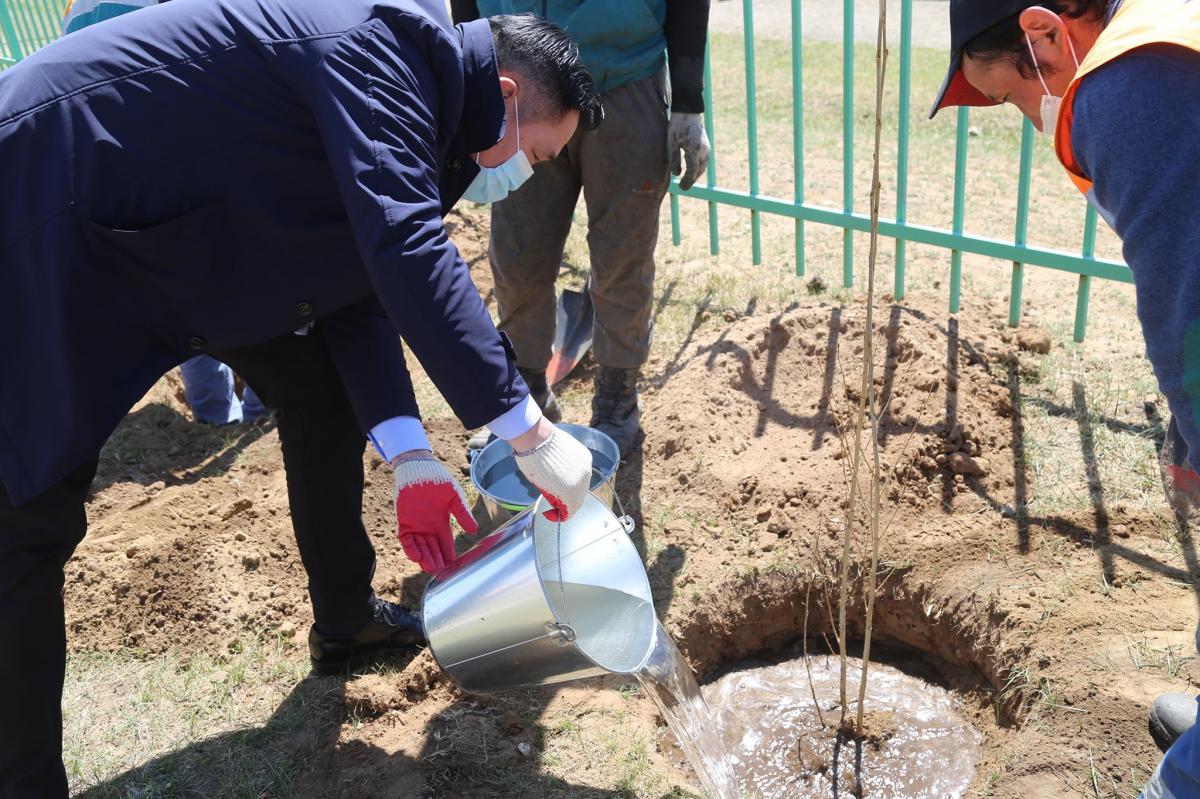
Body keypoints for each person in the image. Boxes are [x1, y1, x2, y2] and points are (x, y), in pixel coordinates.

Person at [0, 2, 600, 795]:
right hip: (54, 198)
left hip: (192, 237)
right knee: (28, 509)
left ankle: (345, 620)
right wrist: (527, 431)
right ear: (507, 91)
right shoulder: (380, 50)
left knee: (322, 390)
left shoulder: (434, 113)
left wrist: (413, 455)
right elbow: (404, 245)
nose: (526, 173)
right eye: (536, 151)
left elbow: (358, 280)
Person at [930, 1, 1199, 796]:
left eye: (1016, 98)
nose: (1033, 119)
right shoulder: (1157, 34)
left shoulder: (1128, 85)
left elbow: (1187, 294)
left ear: (1045, 33)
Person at [450, 0, 712, 457]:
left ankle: (616, 400)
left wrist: (688, 101)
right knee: (518, 256)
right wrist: (468, 81)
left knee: (622, 258)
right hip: (520, 86)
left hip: (624, 78)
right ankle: (527, 392)